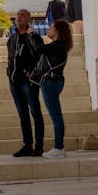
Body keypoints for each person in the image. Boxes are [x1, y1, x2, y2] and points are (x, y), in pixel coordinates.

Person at [30, 19, 73, 158]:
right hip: (53, 82)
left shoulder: (58, 45)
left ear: (57, 31)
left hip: (51, 83)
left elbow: (39, 48)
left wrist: (33, 34)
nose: (49, 29)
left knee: (56, 117)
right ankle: (58, 147)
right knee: (56, 116)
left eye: (51, 27)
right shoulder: (59, 45)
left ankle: (59, 148)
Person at [7, 9, 44, 157]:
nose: (18, 18)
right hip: (14, 82)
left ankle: (39, 146)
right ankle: (27, 145)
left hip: (28, 82)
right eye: (17, 15)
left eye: (22, 15)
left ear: (29, 19)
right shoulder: (12, 38)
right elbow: (10, 57)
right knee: (23, 115)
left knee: (35, 113)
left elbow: (41, 56)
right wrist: (9, 72)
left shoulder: (34, 37)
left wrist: (31, 72)